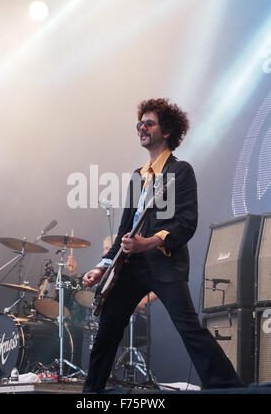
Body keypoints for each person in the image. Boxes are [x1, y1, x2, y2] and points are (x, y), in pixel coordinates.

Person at [82, 98, 241, 392]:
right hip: (129, 268)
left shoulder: (180, 172)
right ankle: (91, 395)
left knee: (189, 329)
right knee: (107, 332)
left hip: (163, 264)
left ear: (166, 130)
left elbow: (185, 223)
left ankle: (228, 387)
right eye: (139, 123)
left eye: (149, 123)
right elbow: (123, 233)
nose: (142, 127)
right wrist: (102, 268)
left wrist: (150, 243)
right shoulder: (136, 178)